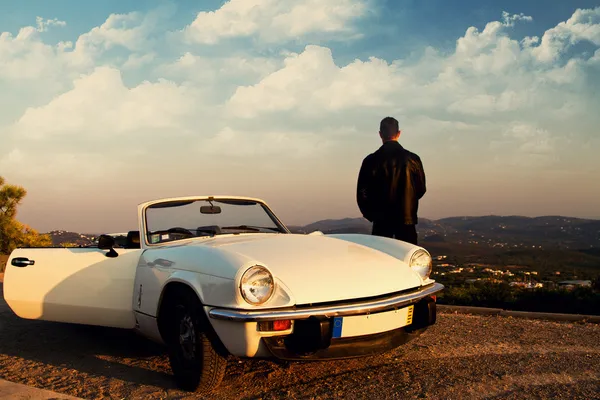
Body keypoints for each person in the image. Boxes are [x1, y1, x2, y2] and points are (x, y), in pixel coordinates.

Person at [356, 116, 426, 245]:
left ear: (380, 134)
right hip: (407, 219)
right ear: (399, 133)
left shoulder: (370, 161)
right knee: (407, 259)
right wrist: (408, 202)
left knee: (381, 259)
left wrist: (372, 215)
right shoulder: (413, 159)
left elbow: (362, 193)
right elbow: (421, 189)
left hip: (381, 220)